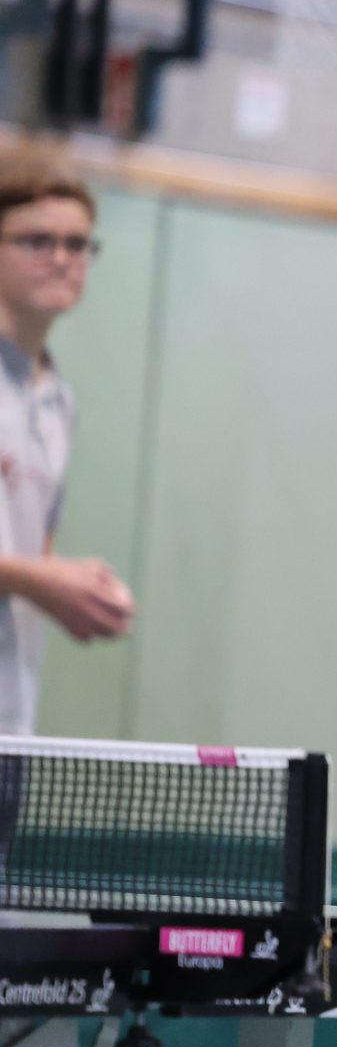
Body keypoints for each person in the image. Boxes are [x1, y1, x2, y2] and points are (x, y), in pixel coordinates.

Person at [0, 171, 131, 734]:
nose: (61, 259)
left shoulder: (58, 403)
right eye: (37, 241)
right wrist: (43, 581)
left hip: (12, 721)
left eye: (77, 244)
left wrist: (74, 591)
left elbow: (35, 554)